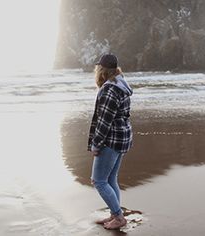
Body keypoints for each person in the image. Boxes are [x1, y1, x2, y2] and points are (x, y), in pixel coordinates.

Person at [87, 53, 133, 230]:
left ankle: (119, 217)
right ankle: (115, 214)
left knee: (98, 181)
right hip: (122, 136)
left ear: (102, 69)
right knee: (111, 178)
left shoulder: (109, 89)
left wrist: (96, 144)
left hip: (111, 139)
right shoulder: (121, 84)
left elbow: (104, 122)